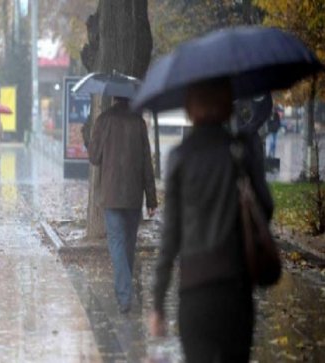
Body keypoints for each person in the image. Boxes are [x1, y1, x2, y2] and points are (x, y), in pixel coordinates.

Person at [149, 78, 273, 362]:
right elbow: (265, 209)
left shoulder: (180, 157)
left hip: (195, 292)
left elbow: (170, 237)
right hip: (236, 289)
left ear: (191, 107)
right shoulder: (240, 150)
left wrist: (157, 303)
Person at [85, 96, 157, 314]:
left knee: (117, 243)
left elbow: (94, 158)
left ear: (113, 97)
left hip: (111, 194)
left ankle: (125, 296)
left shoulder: (103, 120)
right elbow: (147, 163)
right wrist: (151, 199)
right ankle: (124, 291)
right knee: (127, 245)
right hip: (134, 196)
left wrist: (87, 138)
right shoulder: (139, 122)